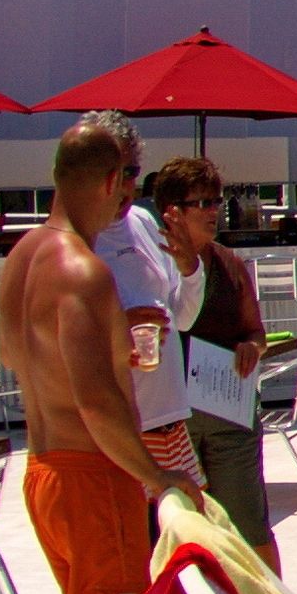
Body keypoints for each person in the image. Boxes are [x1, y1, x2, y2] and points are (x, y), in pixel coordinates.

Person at [4, 113, 192, 594]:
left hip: (46, 469)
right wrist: (160, 480)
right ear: (116, 181)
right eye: (132, 186)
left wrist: (122, 341)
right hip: (93, 477)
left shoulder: (25, 256)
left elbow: (32, 366)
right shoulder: (82, 271)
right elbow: (97, 401)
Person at [152, 158, 279, 565]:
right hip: (175, 419)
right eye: (202, 202)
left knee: (249, 524)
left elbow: (255, 332)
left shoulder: (228, 262)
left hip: (229, 410)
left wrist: (252, 348)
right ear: (172, 211)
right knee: (186, 530)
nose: (214, 211)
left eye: (216, 201)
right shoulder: (152, 266)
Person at [92, 143, 202, 501]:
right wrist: (117, 327)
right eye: (114, 174)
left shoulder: (140, 221)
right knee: (136, 549)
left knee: (191, 544)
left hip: (171, 417)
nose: (123, 186)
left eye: (130, 173)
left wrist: (191, 270)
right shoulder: (74, 242)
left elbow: (182, 319)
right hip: (124, 430)